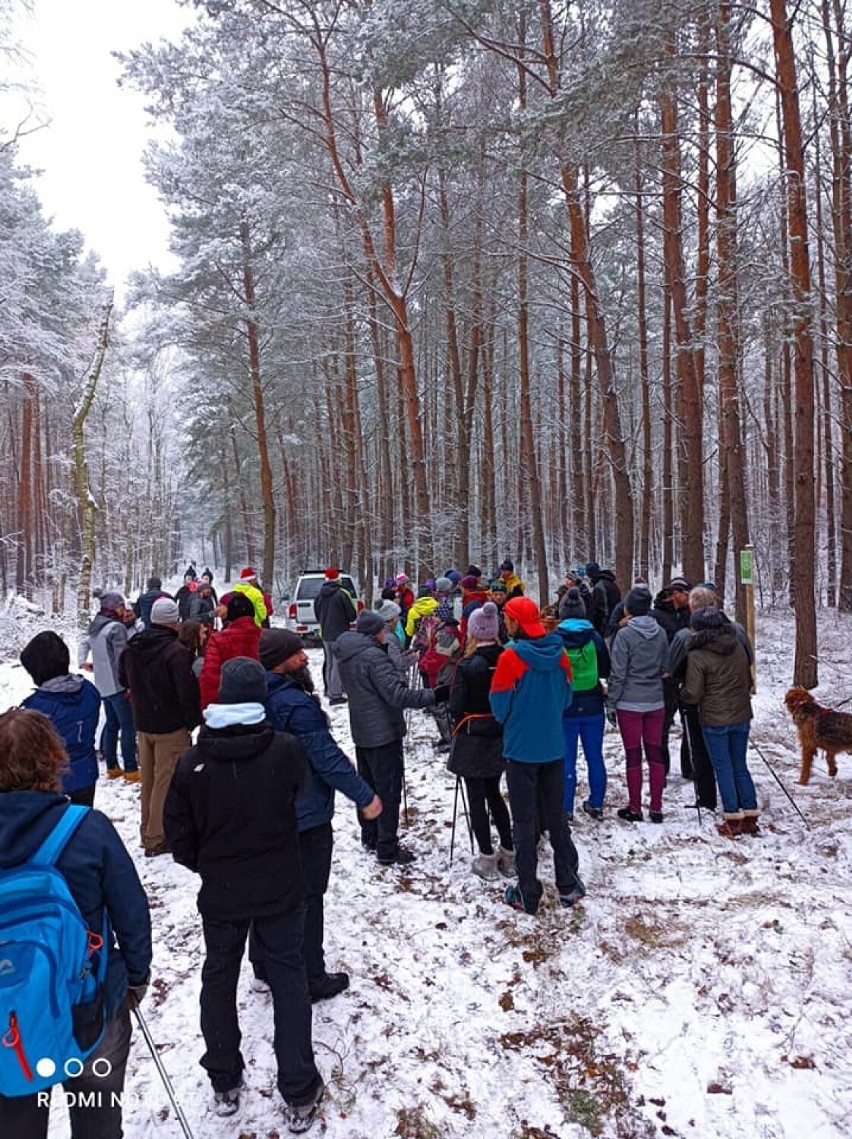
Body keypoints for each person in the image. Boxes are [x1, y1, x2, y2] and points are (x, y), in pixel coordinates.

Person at [163, 658, 325, 1129]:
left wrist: (211, 865)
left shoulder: (193, 761)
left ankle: (224, 1079)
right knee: (287, 977)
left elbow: (179, 833)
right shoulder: (286, 751)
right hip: (278, 886)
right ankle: (297, 1089)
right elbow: (298, 796)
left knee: (219, 977)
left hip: (224, 892)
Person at [0, 708, 152, 1139]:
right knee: (98, 1118)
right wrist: (136, 977)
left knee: (17, 1121)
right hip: (89, 1002)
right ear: (53, 759)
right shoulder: (86, 827)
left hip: (8, 1014)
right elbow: (131, 912)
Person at [257, 630, 382, 1001]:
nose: (306, 658)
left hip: (265, 811)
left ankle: (264, 961)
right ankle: (310, 973)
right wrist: (364, 795)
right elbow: (324, 757)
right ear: (281, 661)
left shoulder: (251, 694)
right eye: (297, 654)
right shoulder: (295, 705)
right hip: (305, 814)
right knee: (309, 896)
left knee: (269, 891)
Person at [489, 596, 585, 915]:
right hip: (554, 747)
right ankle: (568, 883)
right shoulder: (560, 655)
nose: (504, 622)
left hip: (521, 750)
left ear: (516, 622)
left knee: (525, 822)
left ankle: (527, 892)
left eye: (506, 617)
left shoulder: (510, 658)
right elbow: (566, 698)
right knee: (556, 817)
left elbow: (499, 708)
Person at [336, 609, 445, 866]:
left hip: (362, 730)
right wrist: (434, 695)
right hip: (383, 732)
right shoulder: (374, 657)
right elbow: (397, 695)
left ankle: (370, 836)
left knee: (369, 786)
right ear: (376, 632)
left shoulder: (347, 654)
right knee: (389, 789)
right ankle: (387, 847)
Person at [119, 596, 202, 857]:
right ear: (173, 622)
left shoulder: (132, 648)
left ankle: (148, 830)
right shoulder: (176, 653)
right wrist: (192, 722)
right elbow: (186, 693)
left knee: (150, 780)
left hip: (143, 722)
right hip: (170, 726)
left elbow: (123, 678)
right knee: (165, 782)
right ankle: (156, 838)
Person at [448, 602, 514, 880]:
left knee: (477, 797)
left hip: (473, 734)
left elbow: (455, 706)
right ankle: (509, 854)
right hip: (499, 732)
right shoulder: (507, 657)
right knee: (494, 793)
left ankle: (487, 858)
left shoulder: (467, 665)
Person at [679, 608, 759, 837]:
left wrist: (681, 693)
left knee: (723, 766)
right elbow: (748, 681)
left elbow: (693, 693)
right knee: (739, 764)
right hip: (742, 714)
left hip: (714, 718)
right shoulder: (739, 646)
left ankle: (733, 817)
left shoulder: (697, 655)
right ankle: (750, 813)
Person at [607, 585, 669, 823]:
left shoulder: (624, 636)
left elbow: (618, 673)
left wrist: (611, 702)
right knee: (655, 753)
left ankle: (635, 806)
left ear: (629, 608)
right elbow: (665, 666)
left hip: (629, 703)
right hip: (655, 700)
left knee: (633, 755)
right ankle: (656, 806)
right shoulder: (661, 633)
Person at [20, 631, 101, 807]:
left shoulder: (36, 708)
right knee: (80, 823)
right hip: (86, 773)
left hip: (51, 779)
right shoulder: (89, 690)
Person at [556, 587, 611, 820]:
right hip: (592, 705)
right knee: (595, 757)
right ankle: (596, 803)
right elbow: (606, 669)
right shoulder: (595, 637)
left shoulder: (555, 639)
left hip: (565, 706)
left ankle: (566, 808)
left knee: (567, 758)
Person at [77, 591, 138, 781]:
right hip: (118, 686)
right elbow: (122, 659)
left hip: (102, 685)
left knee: (112, 725)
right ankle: (131, 769)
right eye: (120, 606)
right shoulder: (116, 628)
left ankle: (112, 766)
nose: (123, 610)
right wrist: (129, 683)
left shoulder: (95, 628)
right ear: (113, 607)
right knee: (128, 726)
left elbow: (99, 653)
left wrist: (85, 662)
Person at [199, 592, 262, 709]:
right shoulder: (263, 635)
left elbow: (210, 678)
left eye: (220, 605)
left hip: (226, 706)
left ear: (231, 608)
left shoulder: (219, 640)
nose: (217, 609)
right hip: (258, 705)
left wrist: (209, 709)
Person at [314, 568, 357, 705]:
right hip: (340, 633)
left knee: (329, 662)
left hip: (325, 633)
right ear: (337, 579)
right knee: (338, 663)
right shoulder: (342, 593)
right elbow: (352, 615)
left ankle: (329, 690)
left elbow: (316, 615)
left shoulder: (319, 595)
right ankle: (336, 694)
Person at [585, 562, 621, 638]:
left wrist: (600, 631)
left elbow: (603, 611)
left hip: (606, 629)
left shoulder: (599, 587)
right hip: (614, 623)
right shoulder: (611, 584)